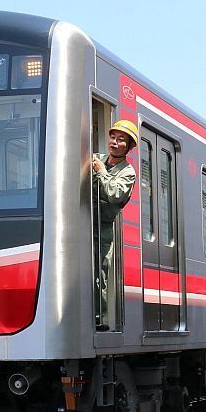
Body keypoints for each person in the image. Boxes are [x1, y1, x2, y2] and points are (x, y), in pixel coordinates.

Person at [93, 120, 138, 331]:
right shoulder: (95, 159)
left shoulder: (128, 173)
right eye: (113, 137)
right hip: (82, 222)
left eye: (121, 140)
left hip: (102, 228)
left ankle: (97, 319)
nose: (115, 142)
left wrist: (101, 172)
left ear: (128, 147)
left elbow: (114, 195)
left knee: (98, 274)